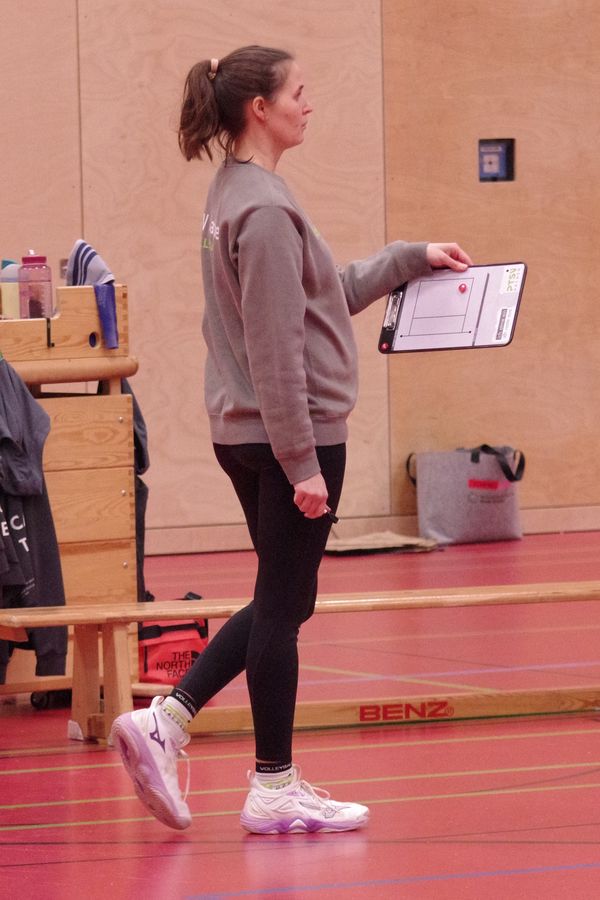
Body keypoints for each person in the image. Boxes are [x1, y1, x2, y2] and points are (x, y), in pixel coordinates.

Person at [111, 44, 473, 834]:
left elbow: (315, 300)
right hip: (288, 434)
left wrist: (407, 260)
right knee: (283, 604)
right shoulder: (265, 210)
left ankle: (171, 723)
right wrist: (302, 461)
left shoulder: (238, 192)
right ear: (259, 109)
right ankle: (265, 779)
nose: (309, 105)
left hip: (248, 430)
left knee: (287, 594)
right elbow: (277, 351)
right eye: (298, 93)